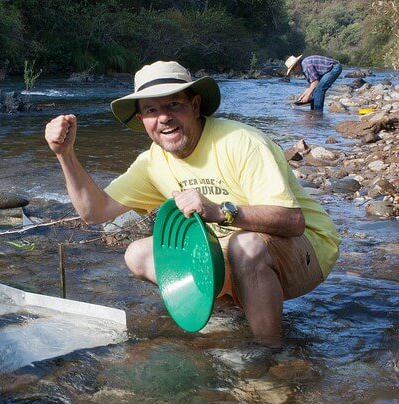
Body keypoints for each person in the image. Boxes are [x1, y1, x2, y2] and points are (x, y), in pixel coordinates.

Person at [44, 60, 340, 345]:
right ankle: (230, 309)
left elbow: (293, 221)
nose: (163, 118)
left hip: (308, 248)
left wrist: (218, 211)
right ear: (141, 120)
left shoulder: (240, 141)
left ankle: (267, 353)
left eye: (173, 105)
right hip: (235, 252)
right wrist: (65, 155)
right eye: (151, 110)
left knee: (245, 247)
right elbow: (94, 212)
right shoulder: (152, 163)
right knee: (139, 254)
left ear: (195, 106)